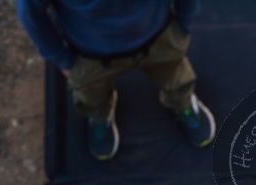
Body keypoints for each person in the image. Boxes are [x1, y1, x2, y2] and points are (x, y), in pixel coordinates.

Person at [17, 0, 215, 161]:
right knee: (91, 94)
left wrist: (184, 24)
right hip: (90, 55)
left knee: (175, 77)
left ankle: (182, 102)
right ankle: (99, 114)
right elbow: (32, 15)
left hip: (159, 38)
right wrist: (62, 59)